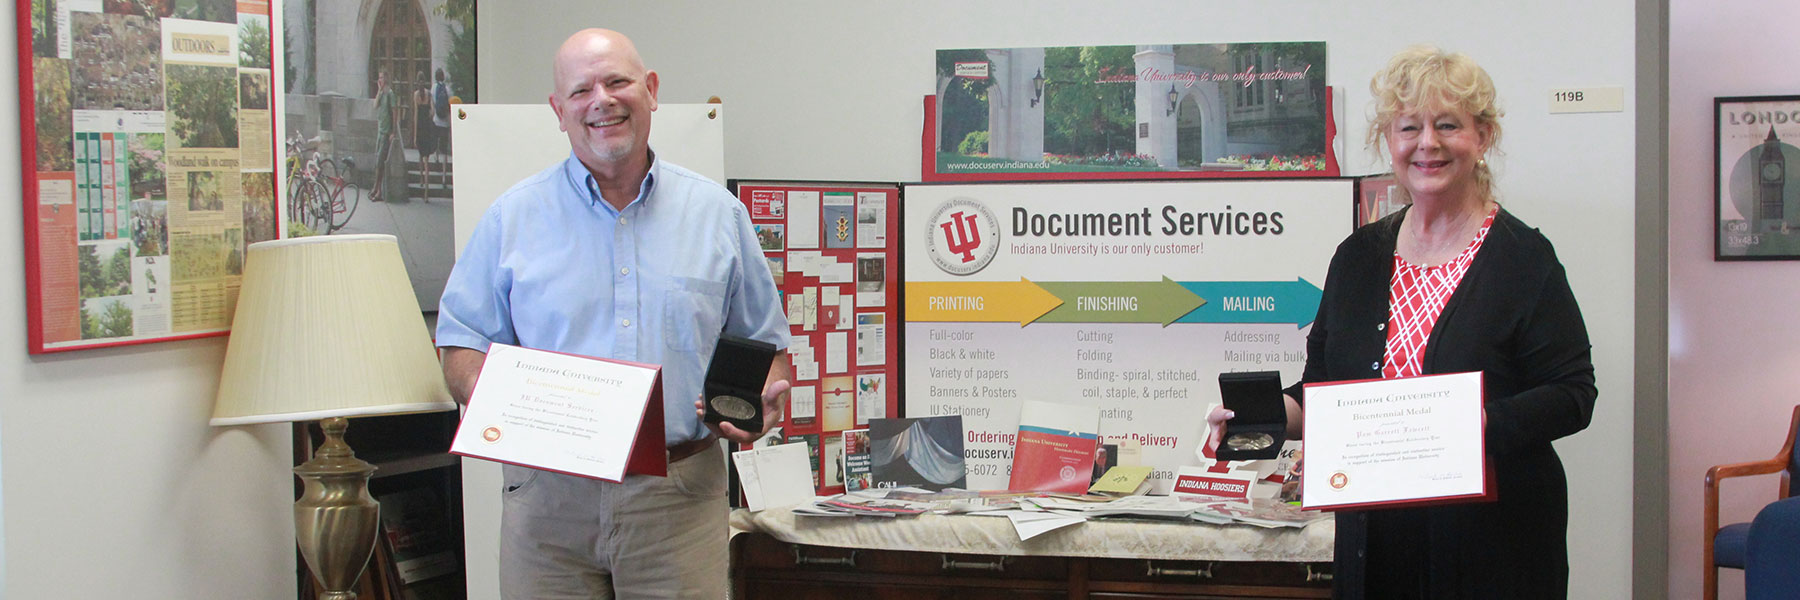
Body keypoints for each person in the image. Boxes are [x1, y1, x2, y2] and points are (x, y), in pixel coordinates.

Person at [1207, 45, 1596, 599]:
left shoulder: (1523, 258)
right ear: (1389, 141)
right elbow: (1322, 391)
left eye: (1448, 125)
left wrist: (1471, 425)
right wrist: (1251, 420)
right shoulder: (1358, 257)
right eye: (1409, 127)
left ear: (1482, 136)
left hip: (1493, 551)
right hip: (1375, 546)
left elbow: (1574, 394)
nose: (1427, 143)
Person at [435, 28, 790, 598]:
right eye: (581, 91)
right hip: (548, 504)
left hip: (679, 499)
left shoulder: (718, 216)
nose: (601, 100)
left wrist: (761, 402)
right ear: (559, 111)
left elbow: (766, 348)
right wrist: (508, 403)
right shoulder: (511, 218)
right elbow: (462, 343)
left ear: (651, 90)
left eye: (617, 82)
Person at [370, 70, 398, 202]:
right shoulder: (381, 93)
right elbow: (375, 106)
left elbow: (394, 112)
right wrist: (378, 91)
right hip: (380, 131)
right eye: (379, 77)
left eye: (381, 77)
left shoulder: (390, 94)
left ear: (386, 78)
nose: (380, 80)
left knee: (380, 162)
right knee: (378, 162)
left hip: (386, 133)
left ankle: (376, 188)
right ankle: (378, 190)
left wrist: (393, 132)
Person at [412, 78, 438, 201]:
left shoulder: (416, 95)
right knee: (426, 160)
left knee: (420, 154)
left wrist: (415, 135)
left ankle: (421, 178)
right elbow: (433, 111)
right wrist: (429, 115)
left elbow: (416, 115)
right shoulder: (429, 94)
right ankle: (426, 193)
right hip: (427, 129)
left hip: (420, 129)